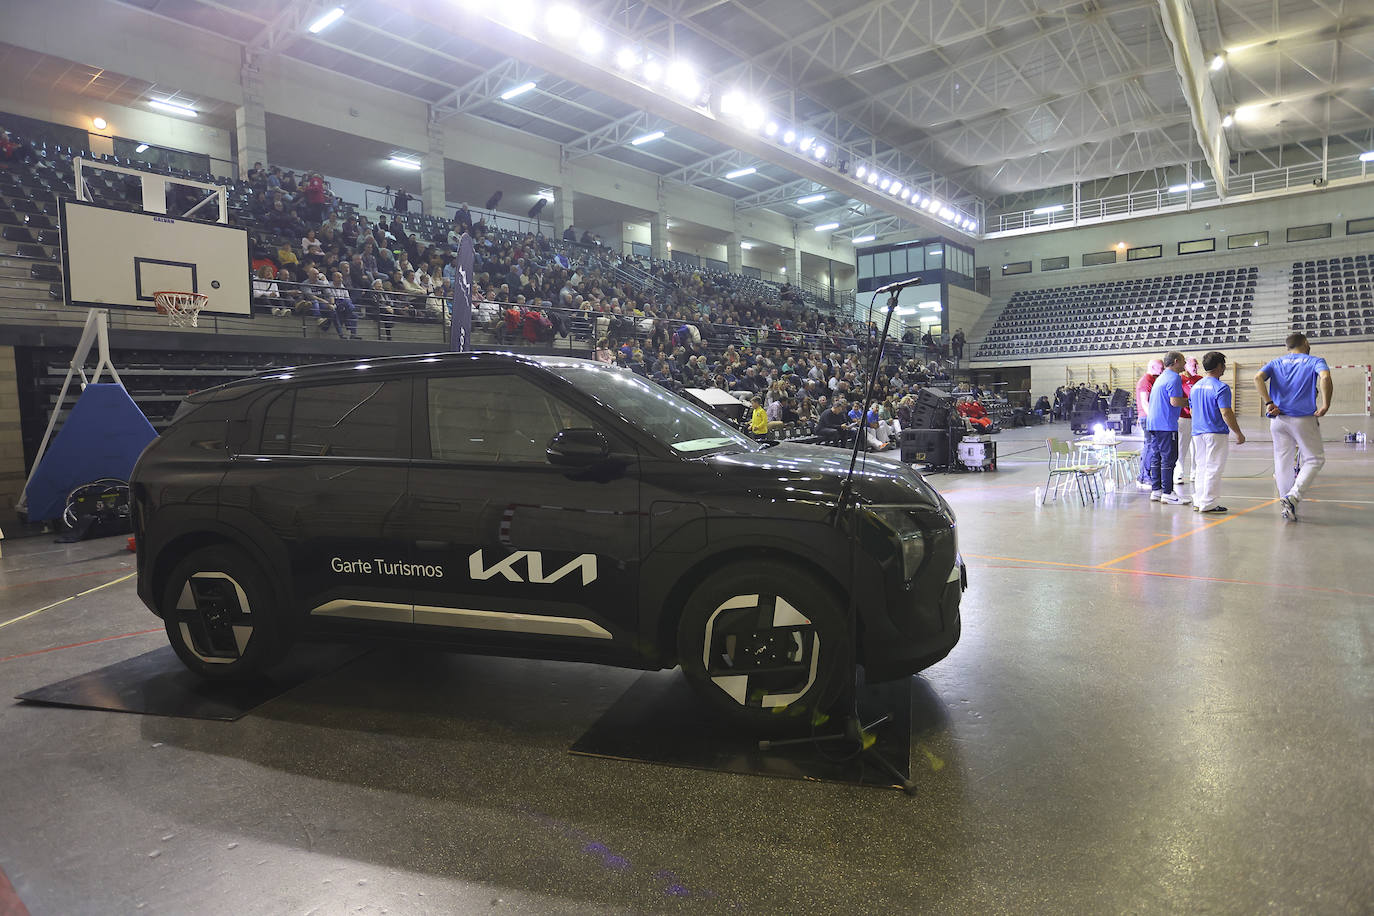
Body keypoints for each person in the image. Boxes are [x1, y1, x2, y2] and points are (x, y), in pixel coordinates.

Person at [1254, 333, 1333, 521]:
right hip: (1302, 418)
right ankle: (1293, 497)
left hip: (1278, 419)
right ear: (1305, 343)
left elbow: (1257, 377)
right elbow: (1325, 377)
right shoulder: (1314, 360)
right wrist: (1325, 404)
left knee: (1282, 462)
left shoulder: (1276, 362)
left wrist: (1268, 402)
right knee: (1315, 459)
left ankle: (1286, 505)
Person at [1188, 351, 1246, 513]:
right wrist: (1238, 433)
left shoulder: (1195, 387)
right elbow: (1226, 412)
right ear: (1220, 366)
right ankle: (1209, 503)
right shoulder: (1221, 387)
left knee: (1201, 467)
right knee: (1214, 467)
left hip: (1197, 432)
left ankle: (1199, 500)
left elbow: (1192, 411)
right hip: (1215, 432)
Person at [1145, 351, 1189, 505]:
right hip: (1166, 424)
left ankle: (1156, 490)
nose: (1184, 364)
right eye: (1183, 361)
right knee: (1169, 458)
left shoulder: (1161, 377)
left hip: (1153, 423)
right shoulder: (1175, 377)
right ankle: (1168, 492)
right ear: (1176, 361)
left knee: (1157, 457)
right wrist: (1190, 402)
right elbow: (1175, 402)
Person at [1134, 359, 1164, 490]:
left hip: (1149, 418)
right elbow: (1144, 402)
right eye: (1161, 367)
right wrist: (1153, 419)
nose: (1163, 370)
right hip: (1148, 419)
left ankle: (1148, 475)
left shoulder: (1154, 380)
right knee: (1150, 446)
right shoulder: (1145, 381)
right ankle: (1143, 477)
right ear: (1152, 367)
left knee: (1153, 447)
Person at [1176, 356, 1203, 487]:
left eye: (1197, 365)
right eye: (1194, 365)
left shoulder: (1200, 379)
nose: (1196, 367)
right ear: (1186, 365)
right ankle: (1179, 473)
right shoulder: (1179, 379)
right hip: (1184, 418)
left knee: (1197, 448)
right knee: (1182, 447)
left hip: (1197, 419)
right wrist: (1189, 405)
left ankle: (1195, 472)